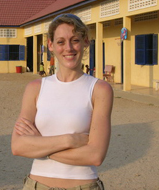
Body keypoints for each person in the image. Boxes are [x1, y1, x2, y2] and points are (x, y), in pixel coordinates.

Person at [11, 14, 113, 190]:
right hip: (36, 185)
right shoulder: (35, 88)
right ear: (50, 45)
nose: (68, 48)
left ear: (85, 41)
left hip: (83, 186)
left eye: (75, 40)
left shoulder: (99, 89)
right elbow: (18, 146)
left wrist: (40, 145)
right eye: (60, 42)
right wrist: (70, 140)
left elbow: (95, 155)